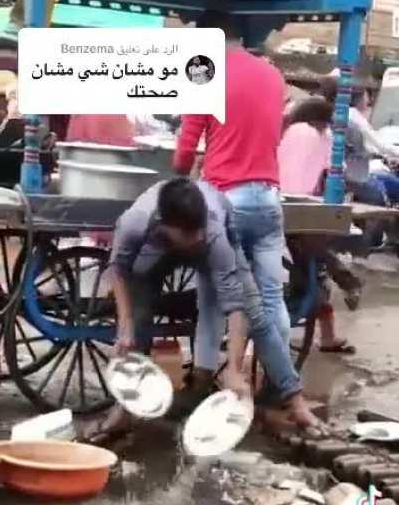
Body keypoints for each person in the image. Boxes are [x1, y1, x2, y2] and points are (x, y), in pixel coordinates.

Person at [174, 8, 318, 431]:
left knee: (211, 295)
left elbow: (185, 150)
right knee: (270, 298)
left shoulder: (205, 72)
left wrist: (181, 178)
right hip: (267, 199)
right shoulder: (273, 75)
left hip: (225, 199)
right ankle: (277, 380)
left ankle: (201, 379)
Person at [94, 178, 322, 440]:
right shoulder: (136, 222)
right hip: (155, 251)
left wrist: (234, 370)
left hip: (219, 242)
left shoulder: (212, 231)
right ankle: (125, 405)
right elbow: (118, 270)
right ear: (166, 225)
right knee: (139, 309)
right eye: (190, 233)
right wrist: (125, 324)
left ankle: (297, 403)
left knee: (256, 313)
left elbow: (235, 307)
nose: (198, 236)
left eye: (199, 229)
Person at [279, 97, 362, 354]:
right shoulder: (316, 135)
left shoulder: (289, 130)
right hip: (303, 209)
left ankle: (346, 282)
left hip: (281, 202)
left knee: (315, 264)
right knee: (316, 264)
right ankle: (347, 280)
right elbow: (335, 170)